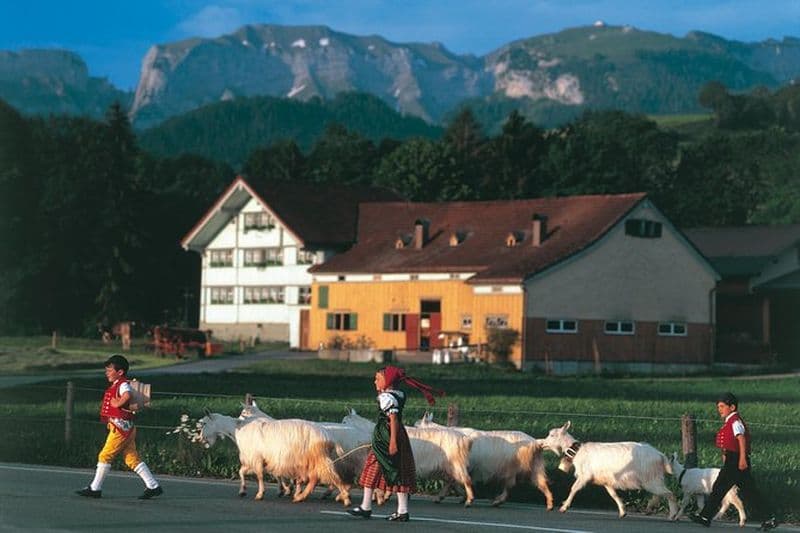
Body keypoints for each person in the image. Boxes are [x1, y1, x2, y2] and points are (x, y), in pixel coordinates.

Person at [348, 366, 443, 522]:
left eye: (378, 379)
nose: (375, 381)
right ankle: (393, 509)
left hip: (387, 437)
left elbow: (392, 419)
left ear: (388, 381)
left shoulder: (387, 398)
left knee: (378, 469)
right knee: (395, 469)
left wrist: (392, 442)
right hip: (394, 435)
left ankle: (369, 507)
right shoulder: (398, 394)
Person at [75, 354, 163, 500]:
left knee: (105, 455)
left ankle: (95, 488)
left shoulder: (122, 384)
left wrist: (117, 403)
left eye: (110, 370)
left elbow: (127, 395)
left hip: (120, 429)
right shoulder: (118, 384)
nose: (107, 373)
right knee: (131, 458)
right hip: (126, 428)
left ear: (120, 372)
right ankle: (153, 486)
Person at [690, 392, 778, 530]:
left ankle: (705, 516)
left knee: (719, 488)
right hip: (732, 459)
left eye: (722, 406)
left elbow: (741, 439)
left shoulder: (735, 421)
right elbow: (730, 443)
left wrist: (742, 459)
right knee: (749, 491)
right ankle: (770, 518)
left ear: (732, 407)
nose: (719, 409)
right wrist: (726, 456)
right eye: (718, 407)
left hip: (736, 460)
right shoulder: (729, 421)